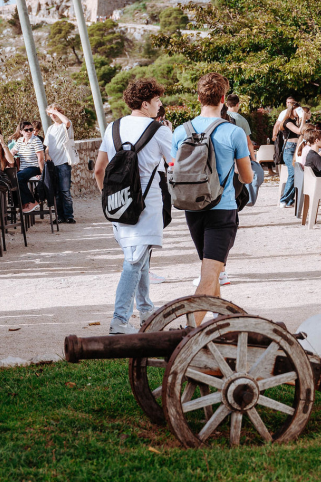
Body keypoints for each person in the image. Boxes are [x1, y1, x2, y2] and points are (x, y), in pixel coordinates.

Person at [93, 78, 173, 334]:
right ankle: (119, 321)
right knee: (134, 261)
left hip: (119, 207)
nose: (160, 105)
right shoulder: (158, 130)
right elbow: (176, 164)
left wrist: (112, 200)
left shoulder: (112, 128)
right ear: (146, 103)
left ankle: (147, 314)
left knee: (141, 258)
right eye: (158, 100)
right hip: (146, 208)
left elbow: (98, 170)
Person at [171, 74, 253, 321]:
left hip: (192, 208)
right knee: (209, 275)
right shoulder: (233, 133)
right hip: (222, 208)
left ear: (198, 98)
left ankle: (216, 325)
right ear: (222, 99)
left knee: (212, 271)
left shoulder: (179, 131)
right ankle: (192, 332)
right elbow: (247, 177)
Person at [44, 104, 77, 224]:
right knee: (56, 192)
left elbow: (67, 122)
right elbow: (47, 145)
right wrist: (47, 154)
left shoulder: (65, 125)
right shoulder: (50, 129)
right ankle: (60, 216)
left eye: (55, 113)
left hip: (63, 162)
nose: (53, 116)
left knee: (65, 191)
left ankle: (69, 215)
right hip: (53, 163)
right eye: (50, 114)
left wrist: (55, 111)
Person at [274, 102, 303, 208]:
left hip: (296, 149)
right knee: (293, 173)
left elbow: (303, 130)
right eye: (297, 110)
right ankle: (284, 199)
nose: (299, 112)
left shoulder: (296, 121)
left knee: (297, 173)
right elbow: (299, 131)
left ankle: (290, 200)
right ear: (292, 110)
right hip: (289, 149)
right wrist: (303, 117)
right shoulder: (287, 121)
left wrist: (302, 118)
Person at [14, 120, 46, 213]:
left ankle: (32, 201)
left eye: (30, 129)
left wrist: (41, 173)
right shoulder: (20, 141)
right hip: (24, 168)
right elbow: (13, 151)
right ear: (21, 131)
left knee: (18, 177)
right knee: (12, 178)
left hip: (33, 167)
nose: (29, 132)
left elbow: (40, 158)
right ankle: (21, 203)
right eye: (26, 130)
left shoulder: (36, 140)